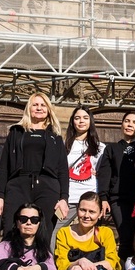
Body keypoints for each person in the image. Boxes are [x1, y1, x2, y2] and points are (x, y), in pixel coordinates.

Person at [0, 93, 69, 231]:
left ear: (49, 109)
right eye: (35, 105)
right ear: (29, 108)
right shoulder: (16, 133)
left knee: (43, 233)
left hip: (48, 187)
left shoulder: (55, 136)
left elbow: (63, 169)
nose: (39, 108)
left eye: (43, 105)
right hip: (18, 185)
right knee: (11, 230)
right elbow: (4, 167)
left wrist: (64, 198)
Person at [98, 110, 135, 270]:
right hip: (119, 199)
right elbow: (104, 174)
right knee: (125, 238)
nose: (130, 125)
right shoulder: (112, 149)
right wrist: (103, 198)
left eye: (134, 122)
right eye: (127, 121)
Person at [52, 106, 107, 248]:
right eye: (77, 118)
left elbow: (105, 172)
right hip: (68, 197)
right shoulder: (63, 145)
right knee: (54, 232)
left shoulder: (101, 148)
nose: (81, 121)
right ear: (72, 122)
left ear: (91, 121)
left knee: (91, 236)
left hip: (90, 197)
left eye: (85, 118)